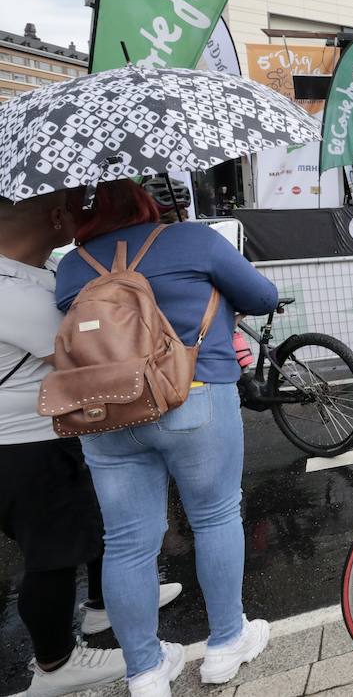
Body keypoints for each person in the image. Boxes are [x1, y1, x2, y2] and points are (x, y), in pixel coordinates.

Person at [56, 180, 280, 697]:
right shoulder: (192, 240)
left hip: (105, 411)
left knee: (128, 542)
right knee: (216, 516)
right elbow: (263, 297)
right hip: (193, 394)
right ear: (148, 203)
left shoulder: (72, 266)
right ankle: (226, 643)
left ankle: (145, 671)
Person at [0, 191, 141, 697]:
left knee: (91, 523)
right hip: (25, 446)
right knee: (52, 556)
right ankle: (55, 664)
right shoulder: (10, 292)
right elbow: (84, 348)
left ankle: (105, 606)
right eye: (71, 206)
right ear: (56, 217)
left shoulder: (33, 273)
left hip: (44, 436)